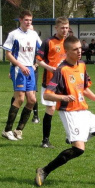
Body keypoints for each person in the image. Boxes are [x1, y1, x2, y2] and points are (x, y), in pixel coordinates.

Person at [34, 35, 95, 186]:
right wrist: (63, 98)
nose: (79, 51)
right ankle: (44, 170)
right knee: (78, 150)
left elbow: (84, 89)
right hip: (70, 113)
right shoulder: (61, 70)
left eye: (80, 48)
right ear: (66, 52)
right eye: (75, 49)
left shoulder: (82, 65)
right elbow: (47, 94)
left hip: (83, 111)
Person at [1, 10, 42, 141]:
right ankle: (7, 130)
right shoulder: (13, 35)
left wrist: (35, 64)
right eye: (26, 20)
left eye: (30, 20)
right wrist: (21, 66)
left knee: (32, 100)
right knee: (19, 99)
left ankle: (18, 130)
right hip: (19, 69)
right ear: (20, 20)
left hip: (30, 69)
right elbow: (8, 54)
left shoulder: (34, 34)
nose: (28, 22)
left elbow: (41, 51)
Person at [35, 16, 70, 148]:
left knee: (68, 109)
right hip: (51, 82)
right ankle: (45, 140)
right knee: (50, 109)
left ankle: (70, 136)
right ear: (56, 28)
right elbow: (38, 60)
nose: (65, 30)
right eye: (62, 28)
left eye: (67, 28)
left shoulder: (69, 42)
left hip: (66, 82)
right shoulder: (48, 42)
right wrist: (50, 68)